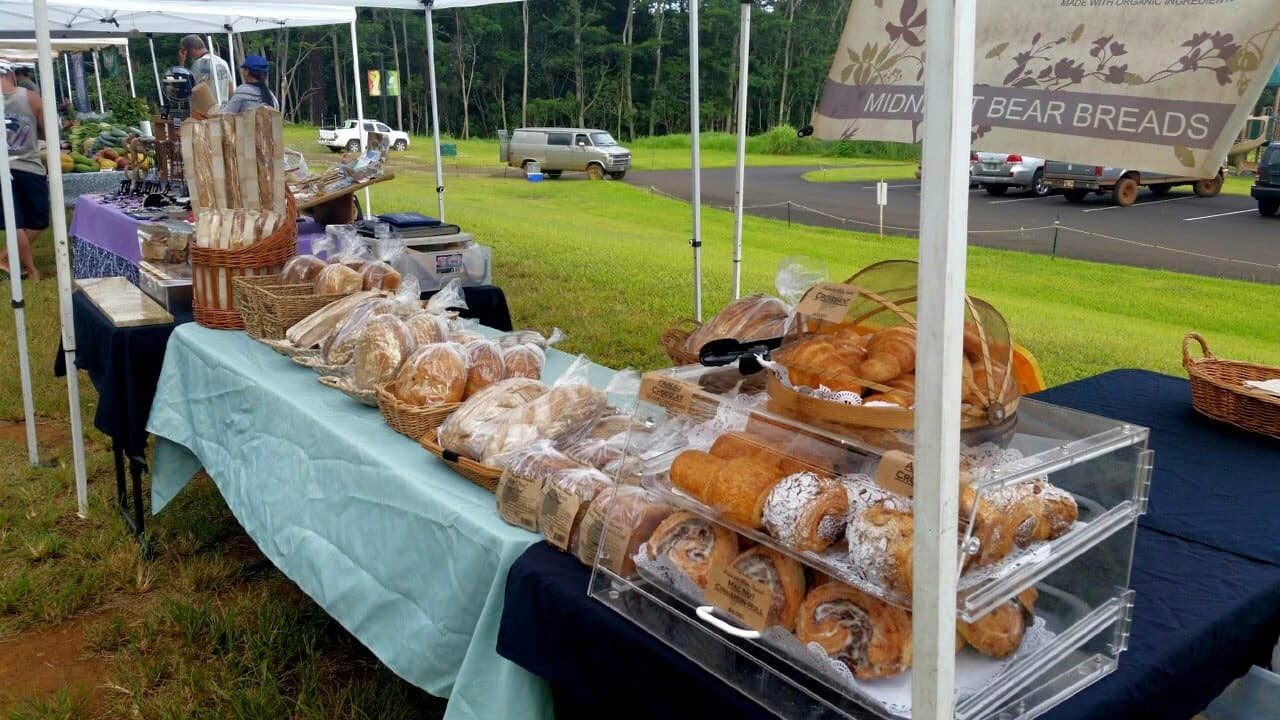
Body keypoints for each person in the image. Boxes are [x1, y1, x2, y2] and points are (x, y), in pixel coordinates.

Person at [0, 60, 46, 281]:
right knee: (38, 219)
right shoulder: (31, 98)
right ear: (11, 74)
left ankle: (5, 258)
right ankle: (30, 269)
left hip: (2, 169)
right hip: (29, 166)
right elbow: (48, 133)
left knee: (14, 220)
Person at [178, 35, 234, 102]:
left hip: (206, 110)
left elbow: (186, 89)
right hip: (223, 108)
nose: (187, 55)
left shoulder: (198, 64)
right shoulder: (222, 62)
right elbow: (231, 88)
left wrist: (181, 63)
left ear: (191, 50)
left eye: (185, 51)